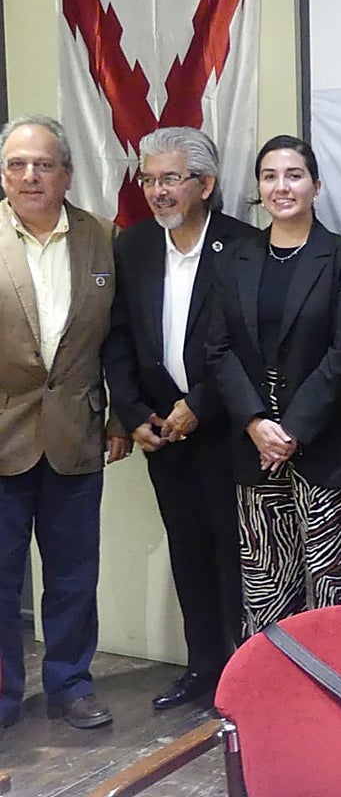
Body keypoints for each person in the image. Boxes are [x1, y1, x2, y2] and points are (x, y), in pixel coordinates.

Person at [103, 127, 255, 709]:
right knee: (187, 552)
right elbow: (117, 336)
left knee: (235, 556)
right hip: (161, 433)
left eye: (170, 178)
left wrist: (201, 405)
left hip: (224, 429)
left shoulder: (243, 245)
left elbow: (249, 347)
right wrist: (132, 412)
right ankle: (202, 669)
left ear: (206, 184)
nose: (157, 191)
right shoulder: (134, 245)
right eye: (149, 179)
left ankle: (242, 678)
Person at [208, 134, 341, 635]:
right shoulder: (233, 259)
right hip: (255, 447)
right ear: (259, 188)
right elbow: (218, 350)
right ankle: (272, 686)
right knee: (267, 591)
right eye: (269, 177)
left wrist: (292, 430)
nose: (281, 187)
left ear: (316, 186)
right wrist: (257, 423)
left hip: (324, 445)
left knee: (335, 593)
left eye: (294, 175)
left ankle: (337, 687)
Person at [0, 115, 129, 730]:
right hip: (2, 437)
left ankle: (71, 684)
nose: (31, 176)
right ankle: (2, 695)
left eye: (44, 164)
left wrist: (121, 416)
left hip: (77, 432)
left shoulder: (102, 236)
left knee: (74, 575)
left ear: (67, 174)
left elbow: (120, 339)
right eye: (18, 164)